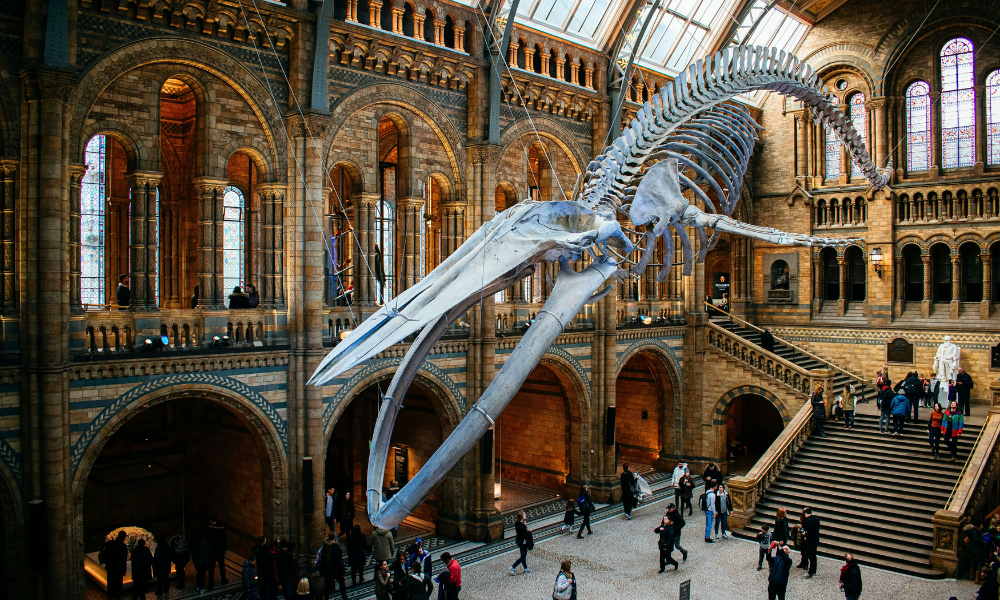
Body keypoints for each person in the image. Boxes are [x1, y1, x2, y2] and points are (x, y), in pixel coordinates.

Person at [319, 533, 347, 600]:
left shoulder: (325, 546)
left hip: (328, 569)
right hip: (336, 570)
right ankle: (344, 598)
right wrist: (342, 572)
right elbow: (339, 561)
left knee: (327, 585)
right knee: (342, 584)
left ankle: (326, 598)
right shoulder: (336, 547)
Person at [103, 530, 129, 600]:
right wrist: (124, 570)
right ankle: (117, 597)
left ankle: (110, 596)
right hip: (118, 568)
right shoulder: (123, 547)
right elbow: (124, 560)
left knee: (111, 583)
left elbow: (106, 554)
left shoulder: (110, 544)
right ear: (123, 537)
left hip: (111, 567)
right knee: (118, 584)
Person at [205, 516, 229, 588]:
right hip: (220, 550)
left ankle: (211, 583)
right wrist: (225, 549)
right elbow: (225, 539)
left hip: (212, 551)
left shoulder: (209, 529)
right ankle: (223, 580)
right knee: (221, 566)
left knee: (211, 568)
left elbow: (207, 540)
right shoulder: (221, 528)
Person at [509, 511, 533, 575]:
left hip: (519, 541)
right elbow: (524, 534)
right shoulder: (522, 525)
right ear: (522, 516)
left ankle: (525, 568)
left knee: (524, 555)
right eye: (524, 514)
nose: (525, 515)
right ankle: (512, 567)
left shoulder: (517, 523)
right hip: (522, 542)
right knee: (522, 557)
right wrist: (528, 530)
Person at [801, 508, 820, 578]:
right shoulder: (816, 519)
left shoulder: (808, 521)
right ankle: (814, 570)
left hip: (810, 540)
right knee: (814, 556)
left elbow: (809, 533)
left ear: (806, 514)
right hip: (816, 539)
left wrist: (804, 534)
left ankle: (811, 572)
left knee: (811, 556)